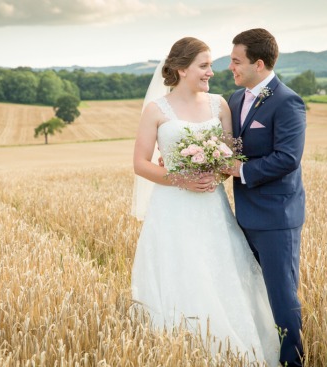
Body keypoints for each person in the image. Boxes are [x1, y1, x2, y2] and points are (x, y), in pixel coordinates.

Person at [131, 36, 280, 365]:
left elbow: (230, 156)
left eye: (211, 65)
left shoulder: (219, 105)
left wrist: (218, 175)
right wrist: (178, 178)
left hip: (212, 207)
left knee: (219, 273)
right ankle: (178, 352)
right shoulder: (156, 110)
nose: (212, 72)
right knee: (179, 273)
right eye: (204, 65)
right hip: (172, 208)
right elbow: (140, 163)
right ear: (182, 69)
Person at [222, 28, 306, 367]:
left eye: (236, 61)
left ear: (259, 63)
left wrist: (238, 170)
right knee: (250, 294)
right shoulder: (233, 100)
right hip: (240, 216)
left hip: (276, 219)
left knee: (282, 297)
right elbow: (222, 147)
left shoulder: (288, 101)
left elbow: (288, 158)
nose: (230, 67)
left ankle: (292, 362)